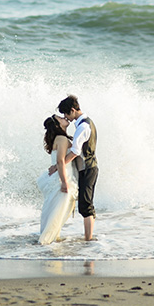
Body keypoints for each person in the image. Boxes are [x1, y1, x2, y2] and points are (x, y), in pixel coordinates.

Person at [54, 95, 98, 240]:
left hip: (88, 168)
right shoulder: (85, 123)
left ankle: (88, 239)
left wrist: (57, 166)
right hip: (88, 168)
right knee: (86, 203)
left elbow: (75, 152)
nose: (66, 117)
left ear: (73, 110)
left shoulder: (83, 126)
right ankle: (89, 238)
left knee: (85, 206)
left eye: (66, 114)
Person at [36, 114, 77, 244]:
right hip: (61, 178)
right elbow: (60, 161)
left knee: (53, 209)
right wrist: (64, 182)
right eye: (60, 118)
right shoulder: (62, 139)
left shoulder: (59, 138)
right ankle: (47, 240)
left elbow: (59, 161)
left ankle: (49, 237)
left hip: (58, 176)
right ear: (57, 125)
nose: (64, 118)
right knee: (56, 211)